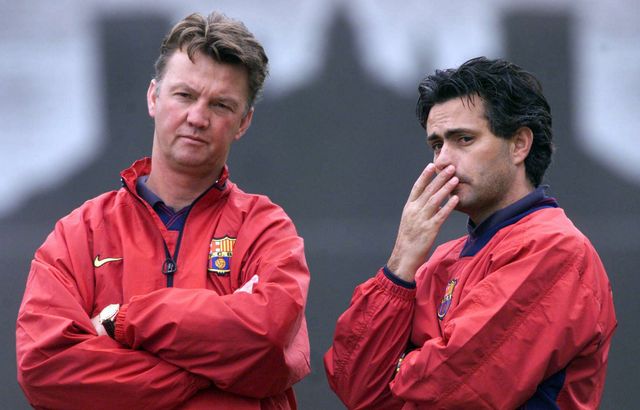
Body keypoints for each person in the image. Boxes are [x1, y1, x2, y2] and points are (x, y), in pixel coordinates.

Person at [16, 11, 310, 409]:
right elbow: (45, 370)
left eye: (221, 104)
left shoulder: (266, 230)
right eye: (184, 95)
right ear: (154, 97)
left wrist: (124, 321)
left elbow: (267, 341)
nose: (197, 117)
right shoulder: (79, 233)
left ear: (244, 122)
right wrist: (213, 370)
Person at [324, 57, 616, 409]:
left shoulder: (555, 249)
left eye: (464, 139)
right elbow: (356, 385)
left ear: (520, 144)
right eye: (436, 144)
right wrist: (401, 261)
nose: (442, 160)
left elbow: (451, 391)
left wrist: (397, 368)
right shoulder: (439, 260)